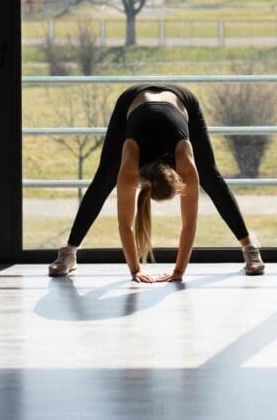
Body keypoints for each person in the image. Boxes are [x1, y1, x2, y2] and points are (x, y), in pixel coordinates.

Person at [48, 83, 265, 281]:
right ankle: (69, 252)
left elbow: (189, 225)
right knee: (105, 177)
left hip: (181, 100)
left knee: (210, 176)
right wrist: (135, 271)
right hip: (132, 101)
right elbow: (125, 225)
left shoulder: (185, 160)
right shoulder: (130, 160)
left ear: (177, 178)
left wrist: (179, 272)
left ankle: (249, 247)